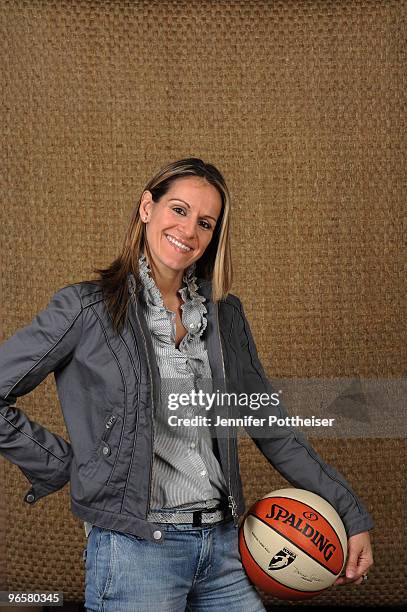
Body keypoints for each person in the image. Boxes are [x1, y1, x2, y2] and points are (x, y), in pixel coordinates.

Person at [0, 158, 373, 611]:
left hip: (226, 547)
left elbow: (272, 429)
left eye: (205, 222)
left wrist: (349, 514)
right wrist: (64, 464)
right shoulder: (86, 308)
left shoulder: (225, 316)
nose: (188, 230)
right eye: (177, 210)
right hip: (135, 551)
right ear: (146, 209)